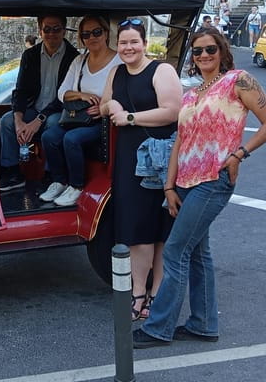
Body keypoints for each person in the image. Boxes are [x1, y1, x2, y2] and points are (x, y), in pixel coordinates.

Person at [133, 28, 266, 348]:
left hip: (213, 180)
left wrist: (239, 154)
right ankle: (203, 323)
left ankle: (159, 328)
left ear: (221, 50)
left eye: (210, 49)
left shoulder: (238, 80)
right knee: (198, 253)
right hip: (184, 182)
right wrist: (169, 186)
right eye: (197, 51)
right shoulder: (192, 94)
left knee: (175, 250)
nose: (203, 56)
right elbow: (180, 142)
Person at [100, 18, 182, 321]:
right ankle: (138, 291)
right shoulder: (117, 71)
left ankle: (156, 292)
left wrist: (130, 117)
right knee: (135, 227)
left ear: (145, 44)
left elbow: (173, 111)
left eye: (134, 41)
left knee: (160, 226)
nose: (128, 47)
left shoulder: (161, 70)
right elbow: (105, 103)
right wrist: (115, 108)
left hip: (161, 160)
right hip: (129, 160)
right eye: (123, 42)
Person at [40, 16, 120, 207]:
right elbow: (62, 92)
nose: (91, 37)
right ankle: (59, 181)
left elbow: (124, 94)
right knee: (49, 136)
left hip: (103, 121)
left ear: (106, 33)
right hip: (77, 117)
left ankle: (77, 186)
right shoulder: (79, 61)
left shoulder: (118, 61)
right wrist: (81, 95)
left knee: (72, 139)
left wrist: (104, 109)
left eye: (96, 32)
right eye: (86, 34)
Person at [0, 15, 79, 191]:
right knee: (7, 121)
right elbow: (20, 91)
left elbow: (64, 96)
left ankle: (51, 175)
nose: (51, 34)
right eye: (47, 29)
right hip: (33, 108)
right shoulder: (30, 55)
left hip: (61, 110)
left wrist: (38, 120)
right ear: (40, 31)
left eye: (56, 29)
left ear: (64, 31)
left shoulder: (74, 57)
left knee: (51, 122)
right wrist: (19, 120)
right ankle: (12, 172)